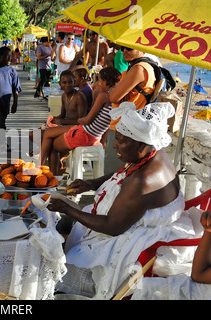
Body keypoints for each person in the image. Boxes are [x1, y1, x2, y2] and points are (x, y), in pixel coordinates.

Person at [48, 101, 196, 299]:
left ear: (141, 145)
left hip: (126, 233)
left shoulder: (142, 182)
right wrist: (92, 183)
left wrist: (68, 209)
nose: (115, 145)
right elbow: (124, 170)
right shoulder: (152, 152)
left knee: (66, 270)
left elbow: (112, 226)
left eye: (121, 141)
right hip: (125, 216)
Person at [39, 67, 121, 174]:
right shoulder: (117, 97)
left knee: (50, 142)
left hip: (85, 133)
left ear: (105, 81)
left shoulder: (104, 96)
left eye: (99, 81)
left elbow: (87, 120)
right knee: (49, 135)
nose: (98, 84)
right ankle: (49, 172)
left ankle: (42, 171)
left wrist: (79, 120)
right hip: (93, 135)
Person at [105, 47, 156, 174]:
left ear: (141, 48)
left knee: (113, 175)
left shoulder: (139, 68)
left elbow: (113, 96)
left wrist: (114, 90)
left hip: (124, 129)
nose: (124, 52)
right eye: (122, 48)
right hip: (128, 127)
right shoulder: (138, 66)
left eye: (129, 48)